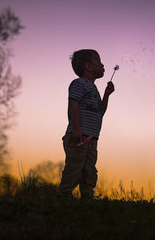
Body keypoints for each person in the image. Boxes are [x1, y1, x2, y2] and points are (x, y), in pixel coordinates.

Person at [57, 49, 115, 199]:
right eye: (99, 62)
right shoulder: (78, 84)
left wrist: (106, 95)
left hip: (91, 140)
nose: (103, 65)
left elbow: (99, 112)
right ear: (88, 66)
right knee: (74, 169)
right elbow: (73, 105)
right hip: (78, 138)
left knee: (89, 171)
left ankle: (87, 199)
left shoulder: (94, 89)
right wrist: (76, 129)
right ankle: (63, 197)